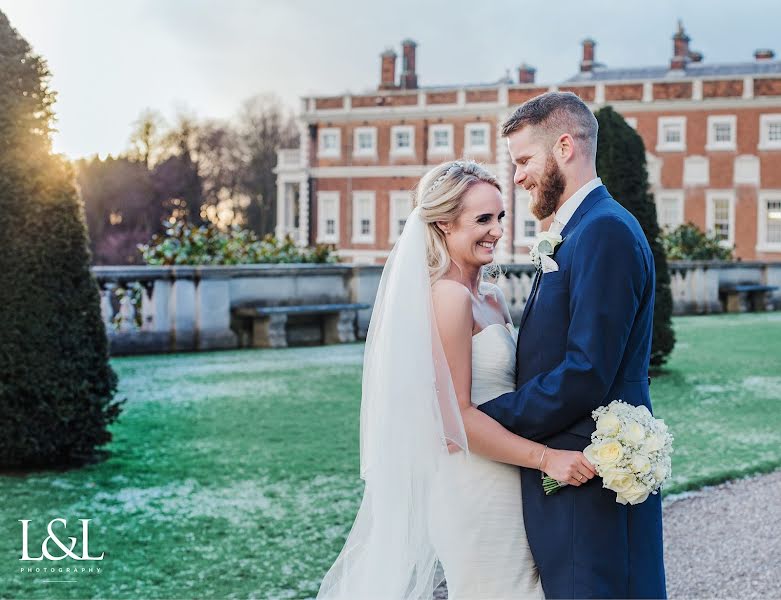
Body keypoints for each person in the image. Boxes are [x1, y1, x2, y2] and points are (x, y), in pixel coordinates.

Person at [317, 159, 594, 600]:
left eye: (500, 217)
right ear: (444, 224)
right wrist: (547, 459)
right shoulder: (447, 298)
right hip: (472, 482)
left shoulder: (491, 296)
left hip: (509, 469)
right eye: (482, 219)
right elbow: (453, 421)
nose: (497, 230)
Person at [477, 91, 667, 599]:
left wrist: (485, 418)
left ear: (564, 147)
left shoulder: (603, 230)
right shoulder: (579, 230)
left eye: (523, 160)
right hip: (573, 479)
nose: (516, 177)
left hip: (589, 481)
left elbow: (586, 371)